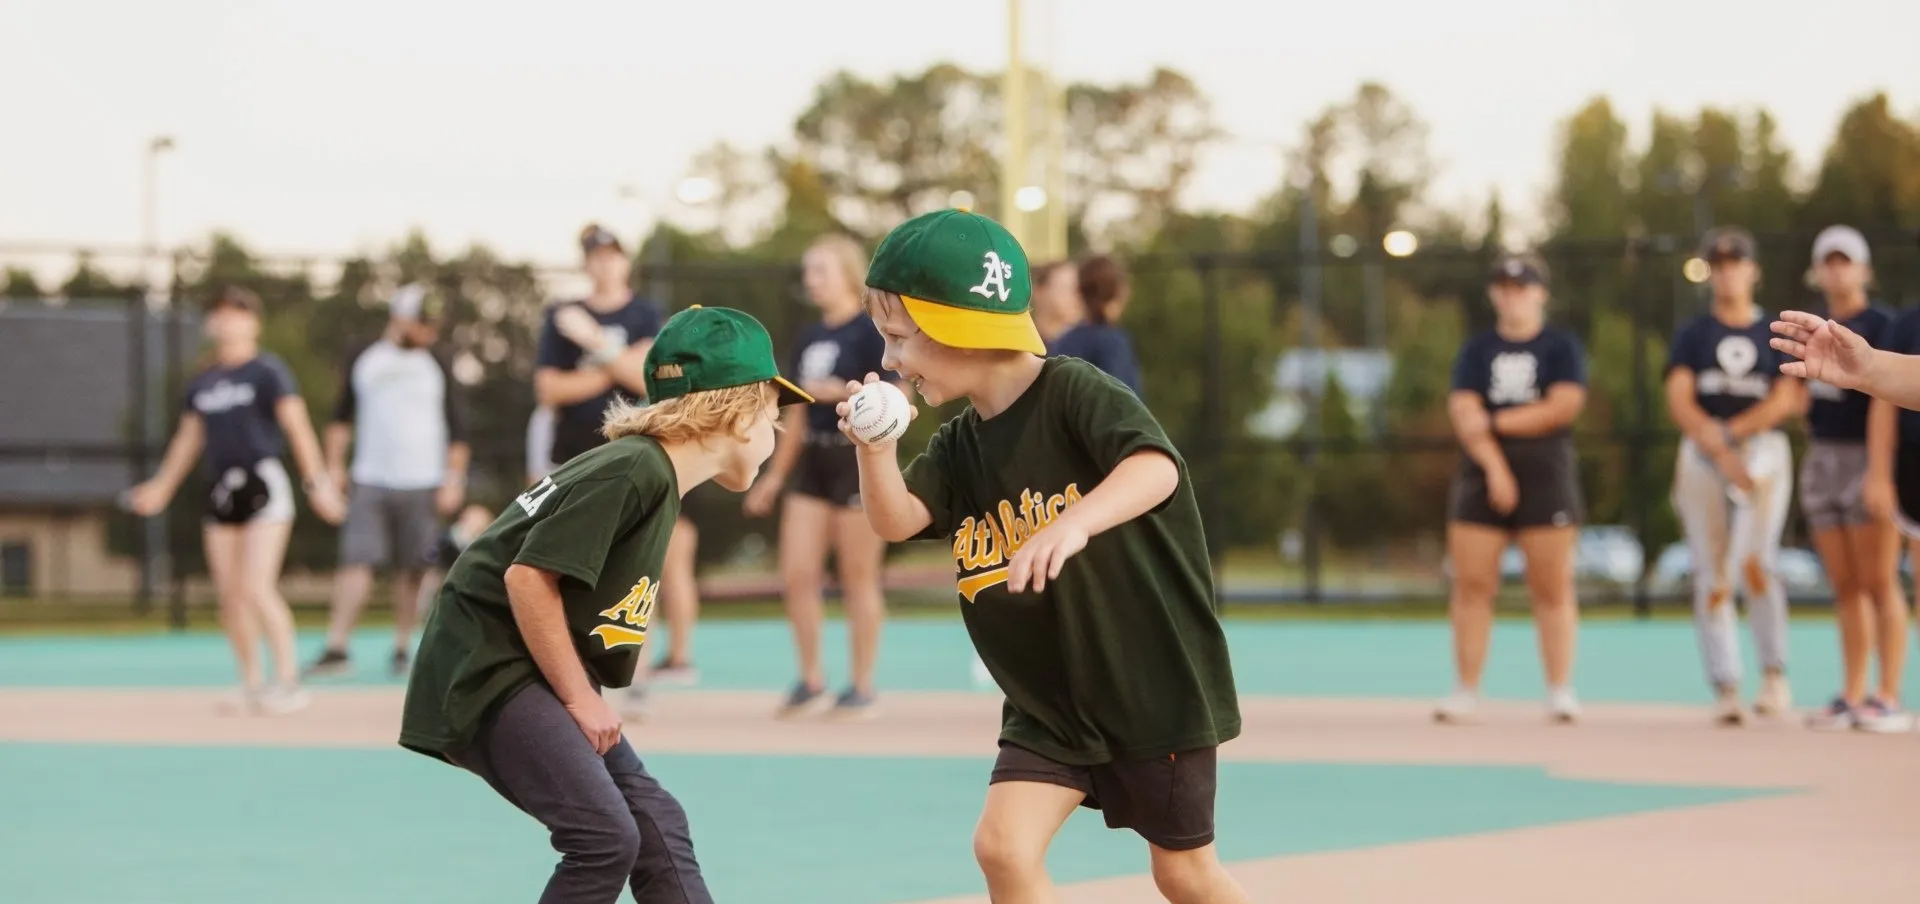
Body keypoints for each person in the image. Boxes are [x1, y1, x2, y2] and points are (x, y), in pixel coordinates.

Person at [844, 209, 1250, 904]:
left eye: (898, 338)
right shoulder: (960, 443)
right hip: (1049, 701)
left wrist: (1072, 526)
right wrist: (874, 451)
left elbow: (1156, 469)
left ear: (959, 328)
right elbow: (898, 519)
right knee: (1002, 848)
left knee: (1183, 874)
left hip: (1148, 687)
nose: (889, 362)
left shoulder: (1073, 392)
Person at [399, 305, 811, 904]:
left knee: (654, 822)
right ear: (741, 412)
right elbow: (527, 579)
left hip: (522, 664)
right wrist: (578, 697)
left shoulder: (649, 472)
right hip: (488, 668)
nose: (775, 431)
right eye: (775, 415)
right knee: (603, 836)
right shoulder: (635, 469)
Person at [127, 285, 347, 715]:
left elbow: (298, 428)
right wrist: (161, 488)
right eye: (222, 313)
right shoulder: (204, 382)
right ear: (211, 323)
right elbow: (188, 440)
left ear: (254, 322)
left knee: (256, 585)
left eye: (239, 313)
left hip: (263, 484)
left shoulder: (268, 372)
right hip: (222, 489)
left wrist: (317, 482)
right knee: (230, 595)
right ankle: (251, 682)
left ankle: (288, 682)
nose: (229, 320)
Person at [534, 223, 699, 709]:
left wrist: (592, 345)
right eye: (595, 256)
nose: (604, 263)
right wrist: (613, 365)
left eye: (612, 254)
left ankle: (636, 673)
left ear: (625, 260)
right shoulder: (560, 314)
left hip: (638, 451)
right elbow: (549, 390)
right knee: (572, 565)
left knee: (637, 562)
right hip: (575, 456)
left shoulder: (646, 312)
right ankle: (571, 673)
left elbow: (646, 378)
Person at [742, 234, 893, 719]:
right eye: (809, 272)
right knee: (798, 573)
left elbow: (896, 398)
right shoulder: (808, 337)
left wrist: (843, 395)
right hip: (811, 462)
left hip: (857, 459)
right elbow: (797, 414)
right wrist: (771, 478)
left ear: (847, 273)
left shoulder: (870, 332)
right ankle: (810, 680)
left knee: (857, 576)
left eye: (821, 270)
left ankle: (863, 684)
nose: (812, 281)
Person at [1433, 252, 1587, 725]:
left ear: (1540, 292)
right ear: (1493, 293)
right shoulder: (1477, 350)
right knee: (1472, 584)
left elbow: (1562, 407)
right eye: (1504, 286)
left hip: (1547, 475)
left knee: (1552, 585)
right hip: (1482, 475)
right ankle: (1466, 689)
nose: (1512, 294)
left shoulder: (1560, 346)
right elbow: (1463, 414)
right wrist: (1496, 468)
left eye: (1522, 286)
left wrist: (1497, 420)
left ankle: (1560, 689)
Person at [1666, 227, 1805, 726]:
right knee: (1711, 568)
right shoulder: (1693, 333)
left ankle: (1774, 674)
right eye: (1718, 264)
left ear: (1753, 269)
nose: (1727, 271)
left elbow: (1787, 397)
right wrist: (1714, 440)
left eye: (1735, 262)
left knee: (1756, 562)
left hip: (1759, 452)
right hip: (1705, 453)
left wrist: (1734, 434)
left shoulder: (1772, 330)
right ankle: (1726, 684)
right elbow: (1679, 396)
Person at [305, 283, 470, 679]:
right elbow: (340, 419)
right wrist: (333, 469)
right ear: (400, 318)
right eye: (422, 322)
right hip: (370, 479)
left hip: (423, 481)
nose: (429, 331)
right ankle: (337, 646)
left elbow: (458, 428)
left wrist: (453, 479)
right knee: (355, 561)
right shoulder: (365, 357)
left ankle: (402, 647)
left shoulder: (439, 361)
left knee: (415, 567)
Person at [1789, 226, 1911, 732]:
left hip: (1867, 458)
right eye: (1828, 261)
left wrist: (1880, 472)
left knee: (1879, 580)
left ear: (1864, 269)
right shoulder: (1812, 326)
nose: (1837, 269)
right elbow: (1800, 396)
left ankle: (1887, 694)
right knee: (1845, 586)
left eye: (1846, 260)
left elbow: (1889, 393)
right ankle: (1853, 691)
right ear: (1818, 269)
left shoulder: (1885, 325)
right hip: (1824, 456)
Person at [1046, 254, 1143, 397]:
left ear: (1080, 292)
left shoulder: (1063, 342)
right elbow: (1122, 405)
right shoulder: (1113, 343)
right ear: (1119, 292)